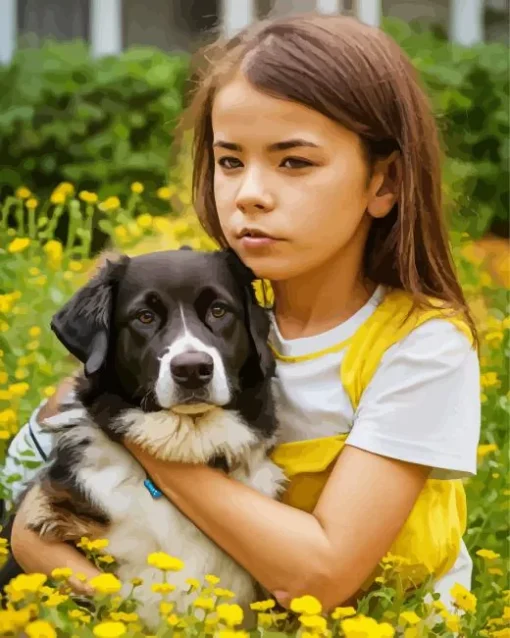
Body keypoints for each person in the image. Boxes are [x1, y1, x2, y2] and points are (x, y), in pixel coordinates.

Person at [7, 12, 481, 612]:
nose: (250, 192)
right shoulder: (214, 308)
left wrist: (140, 435)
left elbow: (322, 576)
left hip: (388, 621)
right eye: (231, 160)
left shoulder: (421, 347)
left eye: (294, 162)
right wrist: (34, 527)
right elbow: (42, 484)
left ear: (383, 183)